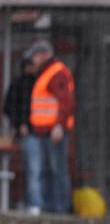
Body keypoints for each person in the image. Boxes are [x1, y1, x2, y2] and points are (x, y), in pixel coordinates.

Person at [26, 40, 75, 214]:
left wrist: (59, 126)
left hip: (54, 131)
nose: (33, 60)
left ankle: (61, 207)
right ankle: (48, 207)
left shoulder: (56, 72)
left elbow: (66, 101)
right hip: (43, 132)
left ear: (43, 55)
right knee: (46, 170)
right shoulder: (46, 72)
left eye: (35, 56)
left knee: (58, 169)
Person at [2, 58, 38, 214]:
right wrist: (20, 124)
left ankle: (32, 202)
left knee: (32, 169)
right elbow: (9, 107)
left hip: (38, 131)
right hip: (28, 133)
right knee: (30, 169)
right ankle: (30, 202)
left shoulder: (37, 83)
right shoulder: (21, 84)